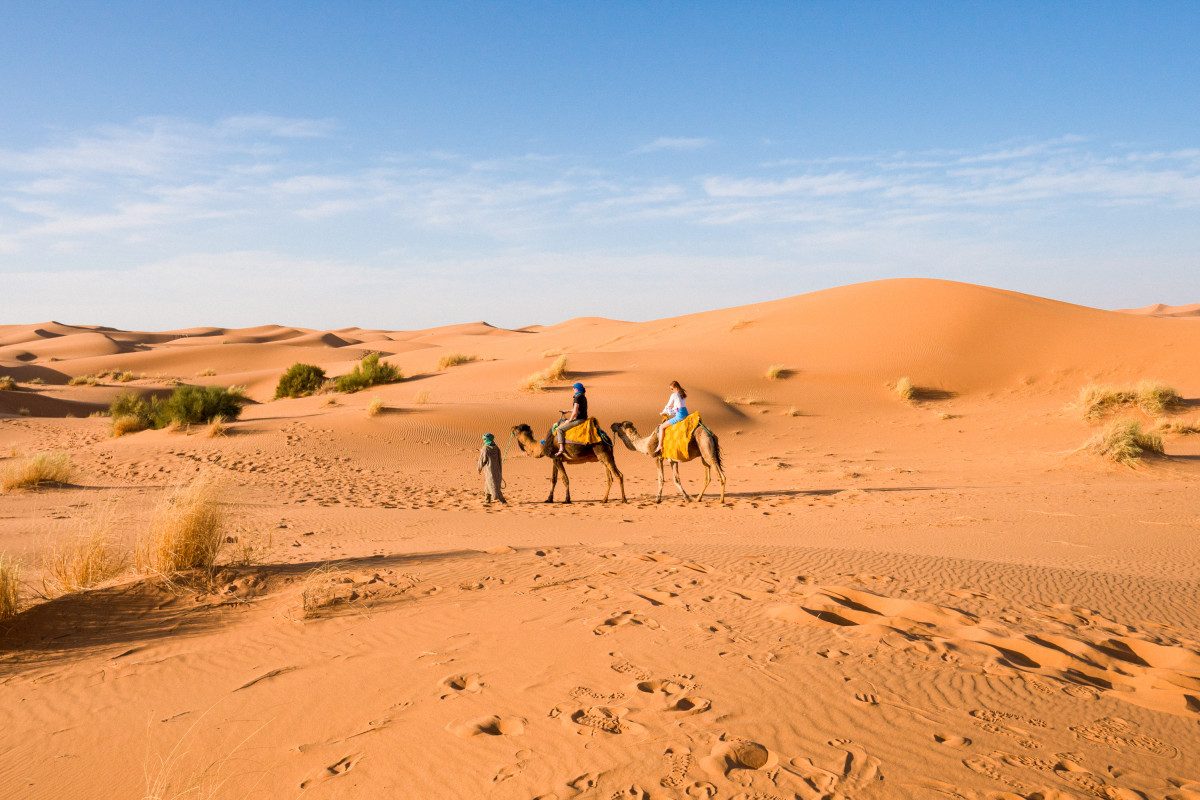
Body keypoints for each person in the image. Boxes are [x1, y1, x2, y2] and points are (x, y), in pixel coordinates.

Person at [653, 380, 689, 456]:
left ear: (675, 387)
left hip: (680, 415)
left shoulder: (674, 395)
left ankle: (659, 445)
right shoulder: (682, 394)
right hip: (686, 413)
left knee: (662, 427)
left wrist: (663, 412)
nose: (671, 391)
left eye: (671, 389)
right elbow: (678, 407)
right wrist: (670, 411)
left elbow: (668, 405)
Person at [554, 382, 588, 457]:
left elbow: (575, 411)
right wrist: (567, 411)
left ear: (576, 389)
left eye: (574, 388)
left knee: (559, 429)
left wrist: (570, 420)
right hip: (584, 419)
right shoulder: (582, 396)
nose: (573, 389)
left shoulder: (577, 397)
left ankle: (561, 448)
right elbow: (579, 409)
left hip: (579, 420)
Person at [477, 433, 506, 504]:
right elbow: (499, 459)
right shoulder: (496, 447)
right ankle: (487, 500)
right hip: (497, 470)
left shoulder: (485, 448)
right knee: (488, 484)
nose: (483, 440)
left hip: (489, 470)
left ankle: (502, 500)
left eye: (484, 439)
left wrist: (479, 468)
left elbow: (482, 460)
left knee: (493, 485)